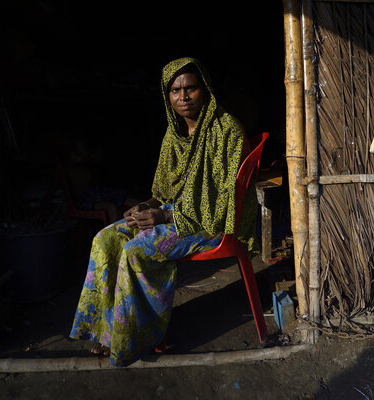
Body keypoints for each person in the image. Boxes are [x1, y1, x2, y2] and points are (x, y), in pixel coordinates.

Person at [69, 57, 259, 367]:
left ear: (205, 89)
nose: (183, 97)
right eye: (175, 91)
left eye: (191, 89)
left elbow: (224, 202)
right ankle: (109, 333)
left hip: (212, 224)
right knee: (105, 238)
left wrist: (166, 217)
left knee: (134, 250)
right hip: (175, 213)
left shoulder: (227, 130)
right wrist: (146, 207)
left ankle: (134, 338)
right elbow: (163, 193)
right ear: (166, 95)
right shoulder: (174, 134)